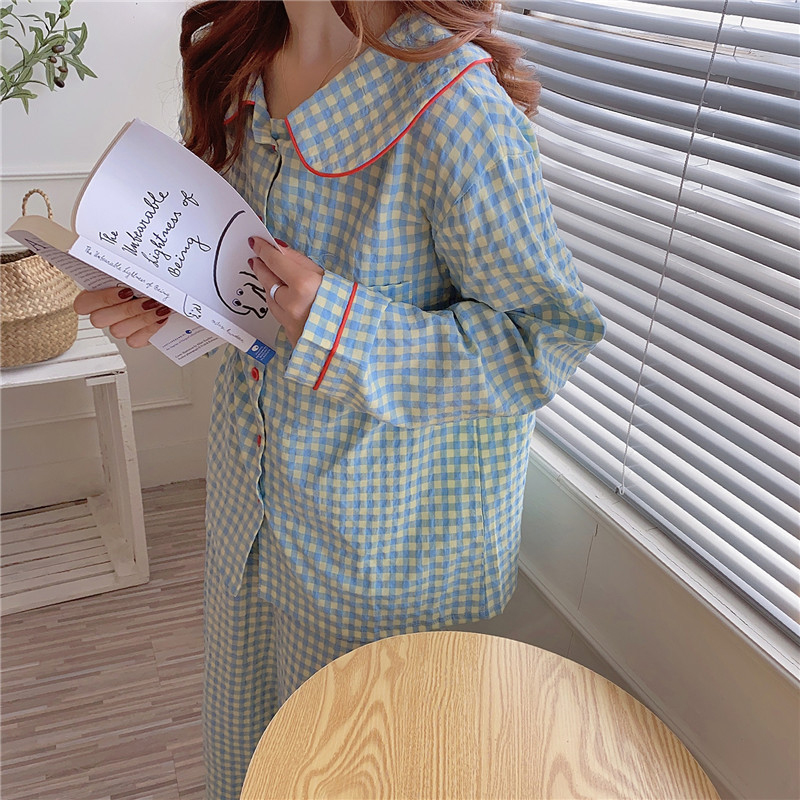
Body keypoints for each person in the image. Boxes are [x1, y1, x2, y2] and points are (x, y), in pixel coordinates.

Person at [74, 1, 605, 796]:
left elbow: (544, 342)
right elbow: (246, 293)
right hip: (248, 518)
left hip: (383, 563)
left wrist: (338, 322)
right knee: (250, 762)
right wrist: (171, 297)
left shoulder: (454, 109)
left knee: (350, 777)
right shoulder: (233, 66)